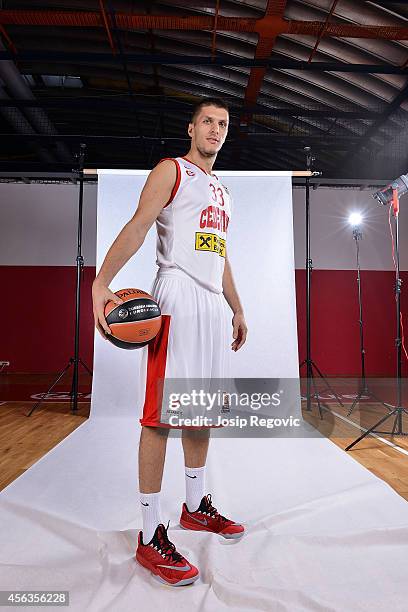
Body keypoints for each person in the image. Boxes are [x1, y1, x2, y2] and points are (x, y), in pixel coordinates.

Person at [92, 97, 248, 587]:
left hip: (208, 304)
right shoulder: (171, 170)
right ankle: (147, 533)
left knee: (199, 410)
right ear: (192, 127)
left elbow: (218, 255)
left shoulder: (221, 189)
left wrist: (237, 306)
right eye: (208, 121)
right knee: (161, 417)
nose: (215, 130)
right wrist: (101, 283)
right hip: (176, 298)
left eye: (223, 124)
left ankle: (196, 506)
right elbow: (139, 226)